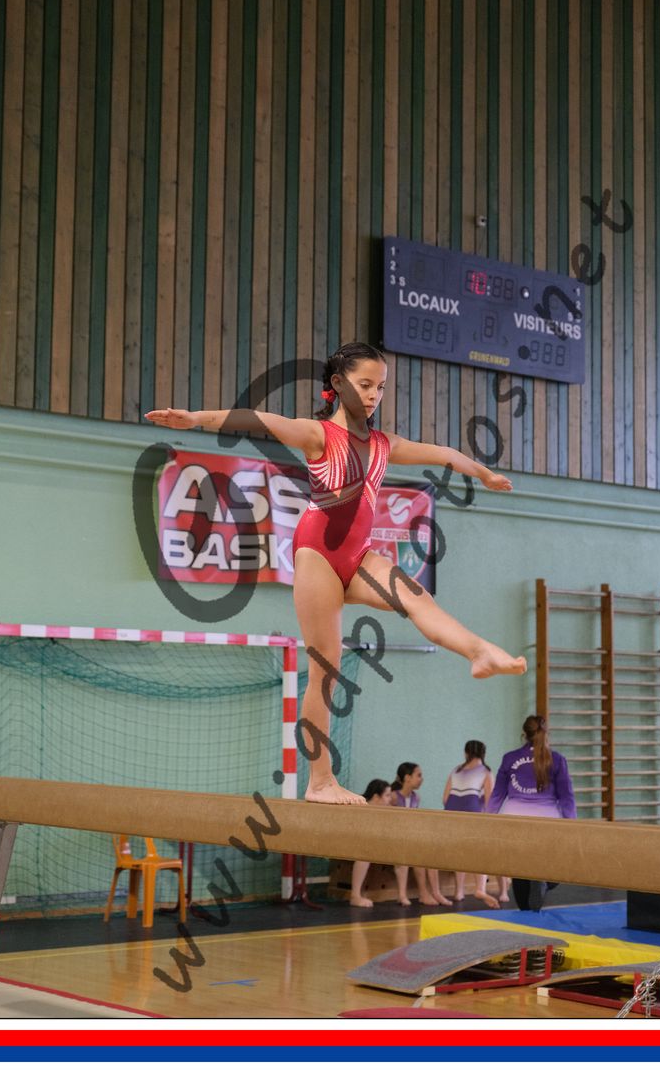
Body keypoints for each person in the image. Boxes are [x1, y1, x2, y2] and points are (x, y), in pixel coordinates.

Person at [145, 341, 526, 805]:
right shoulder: (319, 435)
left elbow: (444, 453)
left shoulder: (385, 445)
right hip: (318, 555)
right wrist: (194, 419)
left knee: (414, 596)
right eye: (365, 385)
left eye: (380, 388)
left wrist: (483, 474)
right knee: (325, 667)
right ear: (337, 384)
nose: (373, 395)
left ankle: (478, 652)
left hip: (359, 556)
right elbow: (256, 419)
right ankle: (320, 781)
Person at [486, 714, 577, 911]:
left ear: (524, 734)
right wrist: (572, 824)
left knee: (520, 868)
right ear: (546, 733)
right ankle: (544, 879)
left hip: (515, 818)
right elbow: (566, 796)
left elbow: (497, 795)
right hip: (546, 819)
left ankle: (526, 911)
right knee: (552, 866)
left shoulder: (510, 758)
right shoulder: (557, 760)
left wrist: (485, 820)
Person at [442, 740, 506, 908]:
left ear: (466, 753)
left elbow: (445, 798)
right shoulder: (485, 772)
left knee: (460, 851)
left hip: (452, 811)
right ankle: (480, 888)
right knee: (480, 851)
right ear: (483, 754)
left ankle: (459, 891)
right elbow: (490, 801)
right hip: (472, 809)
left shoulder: (456, 770)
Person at [391, 762, 452, 907]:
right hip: (394, 838)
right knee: (414, 855)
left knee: (429, 854)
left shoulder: (415, 798)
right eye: (418, 775)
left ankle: (435, 892)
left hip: (410, 838)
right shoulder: (393, 797)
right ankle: (417, 894)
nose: (421, 779)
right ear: (407, 777)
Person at [349, 779, 395, 908]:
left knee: (402, 856)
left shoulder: (384, 811)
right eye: (387, 795)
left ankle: (402, 895)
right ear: (376, 797)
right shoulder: (360, 807)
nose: (390, 799)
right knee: (365, 854)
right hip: (352, 844)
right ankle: (355, 895)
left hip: (370, 844)